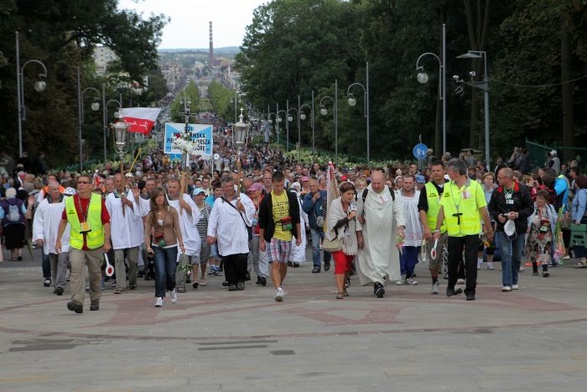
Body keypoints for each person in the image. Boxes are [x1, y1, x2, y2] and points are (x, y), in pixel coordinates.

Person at [434, 158, 493, 301]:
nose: (447, 173)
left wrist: (489, 229)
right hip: (454, 231)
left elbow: (482, 209)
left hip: (471, 231)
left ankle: (470, 290)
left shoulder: (474, 187)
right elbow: (442, 208)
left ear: (456, 172)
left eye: (448, 171)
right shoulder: (448, 187)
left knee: (471, 261)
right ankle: (450, 286)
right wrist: (437, 228)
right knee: (453, 260)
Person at [55, 175, 111, 313]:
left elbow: (106, 221)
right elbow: (63, 220)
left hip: (95, 244)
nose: (81, 185)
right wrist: (58, 240)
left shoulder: (98, 200)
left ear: (91, 185)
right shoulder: (70, 202)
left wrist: (107, 240)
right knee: (76, 270)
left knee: (95, 274)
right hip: (77, 244)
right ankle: (77, 301)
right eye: (79, 183)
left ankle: (95, 298)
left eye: (85, 183)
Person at [355, 170, 405, 298]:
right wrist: (359, 234)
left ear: (384, 181)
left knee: (384, 260)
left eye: (379, 183)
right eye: (374, 183)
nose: (376, 186)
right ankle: (378, 284)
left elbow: (399, 212)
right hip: (369, 234)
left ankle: (380, 281)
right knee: (372, 260)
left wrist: (400, 228)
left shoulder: (393, 194)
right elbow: (358, 215)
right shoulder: (364, 194)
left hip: (387, 235)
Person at [488, 168, 534, 292]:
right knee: (506, 253)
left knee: (517, 255)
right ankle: (506, 283)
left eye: (500, 177)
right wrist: (498, 216)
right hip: (503, 228)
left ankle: (514, 280)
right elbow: (491, 208)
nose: (497, 179)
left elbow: (530, 208)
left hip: (518, 227)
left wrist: (518, 214)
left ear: (508, 179)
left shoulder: (522, 190)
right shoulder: (497, 191)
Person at [258, 171, 302, 302]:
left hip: (287, 232)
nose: (279, 188)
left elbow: (296, 217)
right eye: (276, 185)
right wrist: (261, 240)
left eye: (281, 185)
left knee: (283, 263)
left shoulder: (291, 197)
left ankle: (280, 283)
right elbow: (262, 222)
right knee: (275, 262)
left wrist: (298, 236)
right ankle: (278, 288)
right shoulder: (266, 200)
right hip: (273, 233)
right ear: (272, 183)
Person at [207, 176, 255, 291]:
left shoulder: (242, 198)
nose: (228, 188)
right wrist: (210, 234)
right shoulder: (219, 202)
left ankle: (240, 280)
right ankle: (231, 281)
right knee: (228, 259)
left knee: (241, 258)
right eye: (225, 187)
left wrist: (243, 208)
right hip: (224, 235)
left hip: (239, 233)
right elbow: (213, 218)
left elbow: (252, 210)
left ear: (233, 186)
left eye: (230, 186)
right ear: (222, 188)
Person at [144, 186, 185, 307]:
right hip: (157, 246)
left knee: (171, 272)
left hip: (171, 245)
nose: (160, 199)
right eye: (157, 196)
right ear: (154, 199)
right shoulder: (151, 214)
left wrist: (181, 242)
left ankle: (171, 288)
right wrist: (148, 246)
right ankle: (159, 296)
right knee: (160, 272)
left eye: (161, 195)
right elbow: (146, 232)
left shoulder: (172, 210)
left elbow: (177, 227)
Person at [106, 173, 143, 294]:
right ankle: (120, 284)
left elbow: (140, 209)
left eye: (120, 181)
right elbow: (108, 216)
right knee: (118, 259)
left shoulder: (133, 193)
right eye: (116, 181)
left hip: (132, 231)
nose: (118, 183)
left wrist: (129, 202)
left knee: (133, 260)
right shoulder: (110, 197)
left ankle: (132, 280)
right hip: (118, 232)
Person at [32, 181, 71, 294]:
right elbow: (38, 222)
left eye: (58, 189)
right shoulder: (43, 205)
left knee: (62, 261)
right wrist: (39, 236)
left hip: (65, 237)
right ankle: (56, 283)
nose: (57, 191)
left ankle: (60, 285)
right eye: (53, 189)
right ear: (48, 191)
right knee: (53, 263)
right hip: (50, 238)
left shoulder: (67, 202)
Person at [166, 178, 200, 293]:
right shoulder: (164, 200)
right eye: (170, 187)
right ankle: (172, 280)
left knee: (184, 258)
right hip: (170, 235)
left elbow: (196, 214)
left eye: (174, 187)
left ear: (179, 188)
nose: (171, 190)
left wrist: (185, 206)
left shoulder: (185, 198)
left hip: (186, 236)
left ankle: (181, 283)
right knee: (171, 261)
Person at [418, 161, 448, 294]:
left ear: (444, 171)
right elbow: (422, 209)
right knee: (434, 259)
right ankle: (435, 281)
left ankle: (452, 280)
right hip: (433, 229)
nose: (436, 173)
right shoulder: (427, 188)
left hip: (451, 227)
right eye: (433, 171)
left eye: (438, 170)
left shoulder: (451, 186)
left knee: (454, 255)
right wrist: (426, 228)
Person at [326, 182, 358, 299]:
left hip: (351, 239)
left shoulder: (354, 204)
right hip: (337, 238)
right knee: (340, 263)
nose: (350, 196)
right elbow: (334, 224)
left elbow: (358, 223)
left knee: (347, 266)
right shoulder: (335, 204)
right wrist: (349, 217)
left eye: (352, 194)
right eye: (348, 194)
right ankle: (340, 291)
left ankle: (343, 287)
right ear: (342, 194)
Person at [396, 174, 422, 286]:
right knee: (402, 252)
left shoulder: (419, 195)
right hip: (401, 229)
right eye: (405, 183)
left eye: (410, 183)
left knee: (413, 253)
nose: (407, 185)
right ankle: (402, 273)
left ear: (414, 183)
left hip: (415, 228)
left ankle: (410, 274)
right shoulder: (397, 195)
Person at [525, 190, 557, 276]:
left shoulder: (549, 207)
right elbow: (526, 217)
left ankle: (545, 269)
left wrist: (559, 219)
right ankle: (535, 267)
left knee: (545, 249)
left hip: (546, 232)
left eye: (541, 199)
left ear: (546, 200)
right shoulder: (531, 207)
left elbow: (554, 218)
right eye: (538, 198)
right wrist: (526, 227)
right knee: (533, 250)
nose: (539, 200)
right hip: (533, 232)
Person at [302, 178, 331, 273]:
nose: (312, 188)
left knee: (326, 246)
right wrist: (313, 199)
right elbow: (305, 209)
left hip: (325, 226)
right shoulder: (307, 197)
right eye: (310, 186)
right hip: (314, 226)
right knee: (315, 247)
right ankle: (317, 266)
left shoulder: (325, 194)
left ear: (318, 186)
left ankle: (327, 261)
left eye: (314, 186)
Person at [0, 187, 27, 261]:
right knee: (20, 238)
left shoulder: (3, 203)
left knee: (11, 239)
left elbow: (1, 216)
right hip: (20, 222)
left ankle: (13, 255)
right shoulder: (20, 202)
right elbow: (25, 212)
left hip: (8, 224)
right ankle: (20, 253)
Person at [571, 176, 587, 268]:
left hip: (581, 219)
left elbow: (581, 206)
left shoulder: (581, 192)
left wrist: (578, 219)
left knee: (579, 240)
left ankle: (583, 259)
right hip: (584, 218)